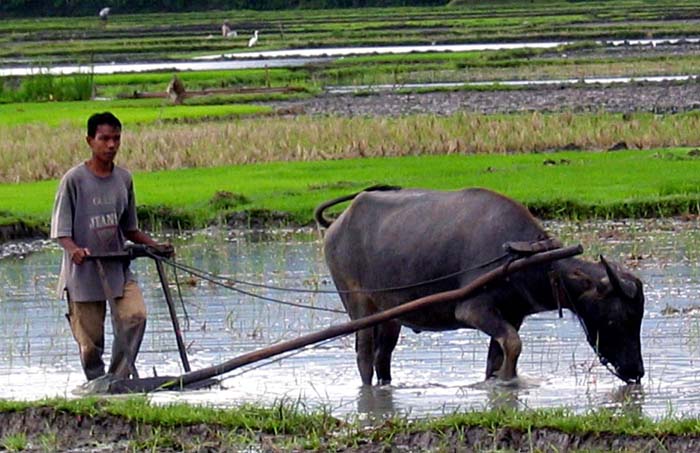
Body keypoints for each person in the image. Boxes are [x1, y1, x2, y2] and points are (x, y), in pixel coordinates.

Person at [51, 112, 172, 382]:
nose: (111, 145)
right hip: (83, 273)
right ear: (90, 141)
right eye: (104, 139)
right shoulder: (74, 180)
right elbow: (61, 232)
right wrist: (75, 250)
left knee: (135, 316)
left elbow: (129, 229)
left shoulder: (124, 180)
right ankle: (96, 383)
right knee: (91, 343)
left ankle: (117, 379)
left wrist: (155, 246)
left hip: (116, 267)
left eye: (116, 139)